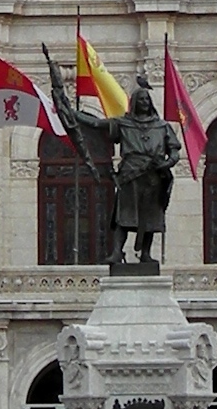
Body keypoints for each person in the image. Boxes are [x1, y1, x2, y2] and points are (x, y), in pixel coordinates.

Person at [44, 52, 181, 267]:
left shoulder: (162, 127)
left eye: (147, 99)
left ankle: (145, 254)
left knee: (151, 217)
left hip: (154, 176)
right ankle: (117, 252)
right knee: (123, 216)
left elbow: (174, 151)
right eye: (141, 100)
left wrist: (167, 163)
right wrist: (72, 113)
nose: (144, 102)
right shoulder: (123, 124)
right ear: (134, 103)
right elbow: (97, 124)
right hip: (130, 175)